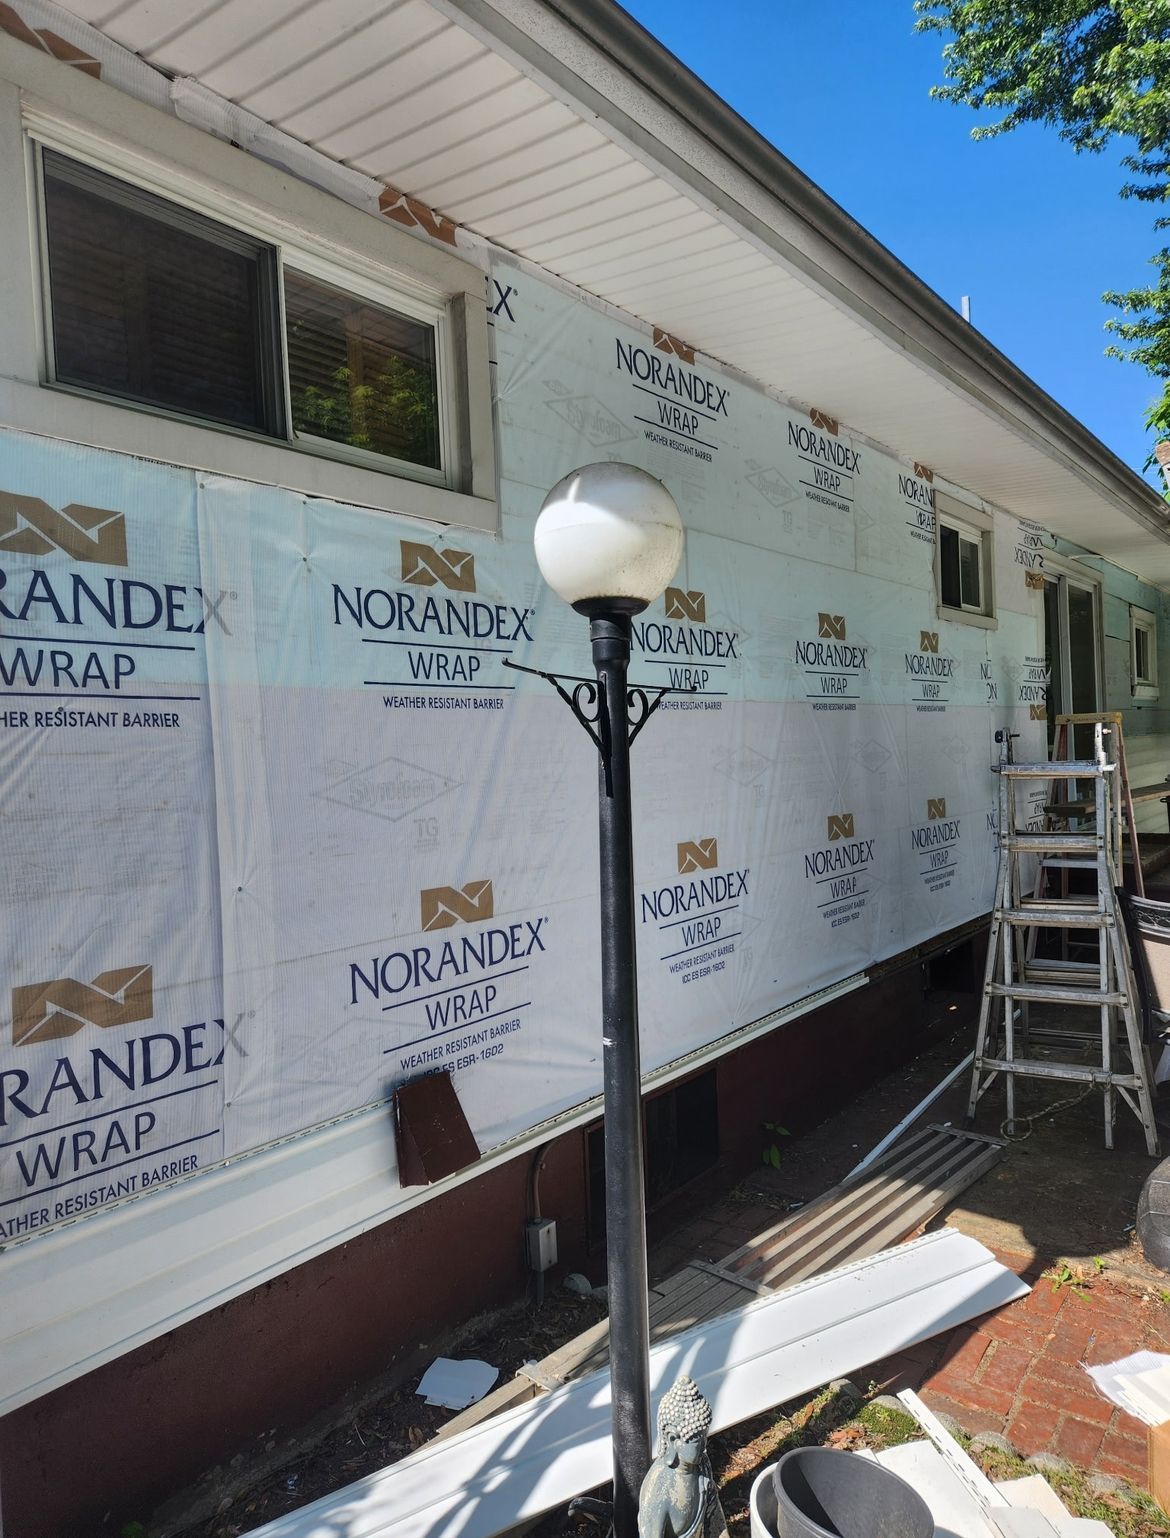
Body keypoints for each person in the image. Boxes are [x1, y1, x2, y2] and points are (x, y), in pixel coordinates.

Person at [637, 1375, 729, 1538]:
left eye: (704, 1437)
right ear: (673, 1439)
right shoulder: (659, 1491)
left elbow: (715, 1518)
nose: (703, 1445)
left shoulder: (702, 1466)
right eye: (696, 1440)